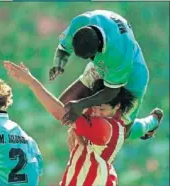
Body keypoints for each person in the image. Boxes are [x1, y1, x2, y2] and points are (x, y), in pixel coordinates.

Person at [4, 61, 136, 186]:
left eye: (102, 109)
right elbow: (66, 105)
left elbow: (61, 113)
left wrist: (32, 82)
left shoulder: (105, 128)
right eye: (94, 106)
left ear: (117, 106)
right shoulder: (105, 118)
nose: (96, 112)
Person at [49, 10, 163, 140]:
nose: (89, 60)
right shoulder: (80, 23)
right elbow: (63, 49)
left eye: (90, 57)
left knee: (120, 134)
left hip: (132, 76)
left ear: (97, 47)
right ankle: (86, 129)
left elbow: (111, 92)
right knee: (62, 109)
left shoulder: (119, 51)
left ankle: (152, 122)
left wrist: (80, 105)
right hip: (102, 66)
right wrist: (58, 63)